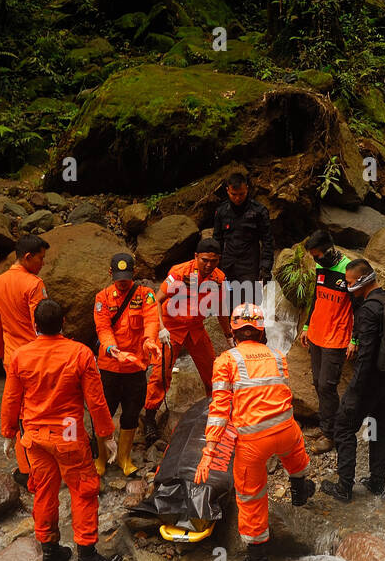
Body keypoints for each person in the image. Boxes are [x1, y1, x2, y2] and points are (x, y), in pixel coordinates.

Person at [1, 299, 121, 561]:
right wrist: (106, 435)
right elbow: (96, 400)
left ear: (35, 326)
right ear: (63, 324)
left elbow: (10, 398)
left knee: (43, 492)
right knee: (83, 491)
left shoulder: (21, 356)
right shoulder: (79, 353)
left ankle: (50, 553)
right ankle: (87, 556)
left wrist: (8, 433)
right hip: (68, 434)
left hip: (35, 436)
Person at [195, 303, 315, 561]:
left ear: (235, 333)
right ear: (261, 332)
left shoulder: (226, 361)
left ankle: (258, 558)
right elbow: (282, 394)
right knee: (294, 452)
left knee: (251, 496)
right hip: (287, 431)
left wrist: (209, 452)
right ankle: (299, 489)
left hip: (253, 441)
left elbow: (219, 410)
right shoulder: (277, 355)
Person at [320, 260, 385, 503]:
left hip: (369, 382)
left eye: (349, 283)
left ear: (363, 280)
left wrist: (355, 390)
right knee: (377, 428)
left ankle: (344, 488)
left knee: (343, 429)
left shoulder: (368, 310)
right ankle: (377, 482)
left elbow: (365, 356)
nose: (346, 287)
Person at [142, 237, 233, 443]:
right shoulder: (179, 273)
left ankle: (217, 410)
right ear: (195, 257)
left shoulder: (219, 279)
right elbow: (157, 300)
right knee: (160, 374)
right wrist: (162, 328)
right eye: (204, 260)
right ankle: (149, 417)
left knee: (212, 370)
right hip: (172, 328)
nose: (208, 265)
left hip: (196, 329)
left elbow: (221, 309)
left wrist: (228, 335)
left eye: (214, 260)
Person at [93, 252, 161, 476]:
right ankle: (101, 458)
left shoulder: (146, 295)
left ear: (134, 273)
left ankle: (124, 458)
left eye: (127, 276)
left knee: (131, 413)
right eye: (118, 276)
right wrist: (113, 350)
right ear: (111, 273)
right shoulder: (102, 298)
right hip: (109, 367)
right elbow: (103, 328)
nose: (122, 281)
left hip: (135, 367)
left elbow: (151, 320)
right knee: (104, 413)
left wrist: (150, 340)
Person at [0, 234, 50, 482]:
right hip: (35, 357)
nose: (43, 263)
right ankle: (43, 463)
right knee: (40, 411)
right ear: (28, 257)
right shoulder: (34, 284)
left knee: (18, 410)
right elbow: (43, 323)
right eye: (41, 258)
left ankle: (25, 468)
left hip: (12, 357)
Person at [297, 229, 355, 455]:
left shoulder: (349, 269)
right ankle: (326, 426)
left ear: (329, 249)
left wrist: (355, 338)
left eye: (318, 255)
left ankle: (331, 434)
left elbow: (359, 306)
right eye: (313, 257)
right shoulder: (321, 266)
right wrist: (305, 326)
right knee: (317, 382)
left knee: (327, 385)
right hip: (317, 334)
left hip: (338, 336)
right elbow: (316, 296)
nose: (316, 259)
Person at [212, 170, 274, 307]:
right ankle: (229, 328)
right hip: (228, 264)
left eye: (241, 194)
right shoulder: (221, 211)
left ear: (247, 188)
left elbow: (268, 241)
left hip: (250, 265)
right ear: (227, 190)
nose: (238, 198)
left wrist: (265, 267)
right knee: (227, 304)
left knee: (250, 307)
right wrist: (214, 267)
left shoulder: (259, 211)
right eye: (234, 194)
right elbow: (217, 241)